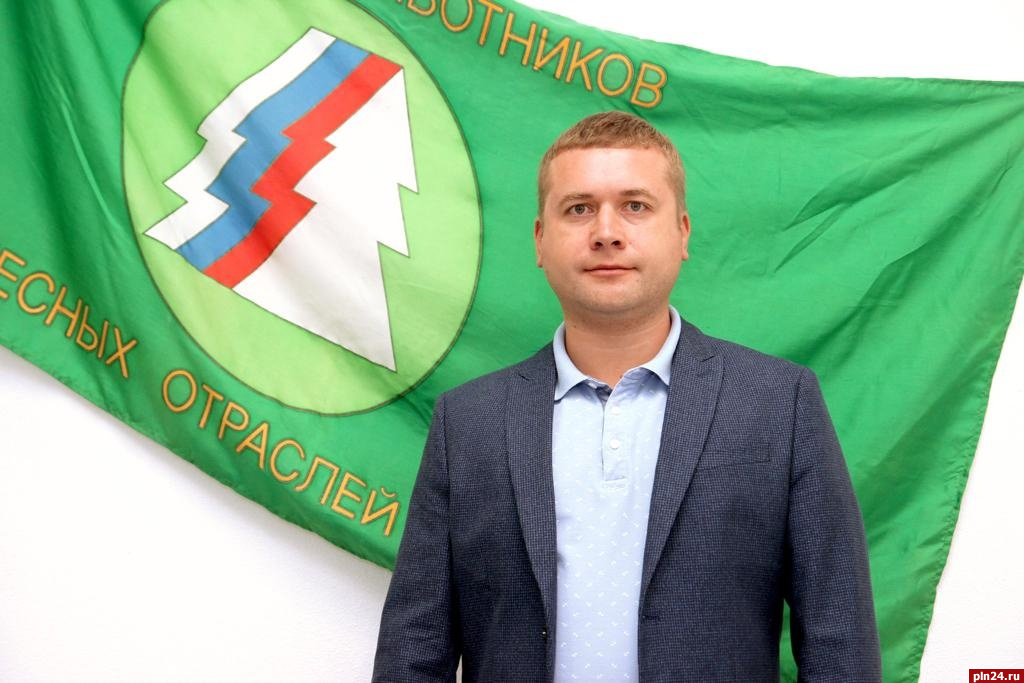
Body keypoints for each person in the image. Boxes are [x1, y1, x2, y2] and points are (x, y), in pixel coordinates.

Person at [372, 111, 881, 682]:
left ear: (682, 232)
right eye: (578, 209)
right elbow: (413, 651)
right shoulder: (468, 422)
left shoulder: (779, 405)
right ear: (540, 240)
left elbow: (841, 645)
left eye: (635, 206)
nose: (606, 232)